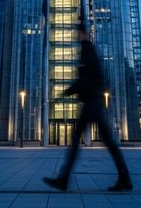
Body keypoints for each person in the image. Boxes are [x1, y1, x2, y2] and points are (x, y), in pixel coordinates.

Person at [43, 20, 132, 193]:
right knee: (92, 141)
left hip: (92, 102)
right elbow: (87, 78)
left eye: (77, 32)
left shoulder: (88, 49)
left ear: (82, 33)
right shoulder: (86, 49)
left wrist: (67, 92)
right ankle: (64, 179)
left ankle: (124, 179)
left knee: (99, 141)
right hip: (91, 102)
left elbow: (89, 78)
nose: (75, 35)